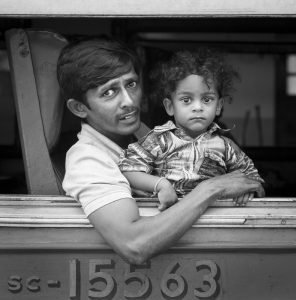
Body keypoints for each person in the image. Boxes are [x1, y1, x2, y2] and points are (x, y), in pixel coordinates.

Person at [57, 37, 265, 265]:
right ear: (79, 107)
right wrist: (213, 188)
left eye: (131, 84)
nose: (128, 101)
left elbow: (247, 180)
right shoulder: (88, 160)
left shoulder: (147, 134)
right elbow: (134, 245)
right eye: (109, 93)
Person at [119, 49, 265, 211]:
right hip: (167, 219)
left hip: (216, 219)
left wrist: (247, 189)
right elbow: (128, 171)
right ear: (170, 106)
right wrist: (161, 185)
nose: (197, 107)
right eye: (186, 100)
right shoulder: (158, 141)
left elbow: (252, 178)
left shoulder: (225, 145)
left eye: (207, 99)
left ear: (218, 106)